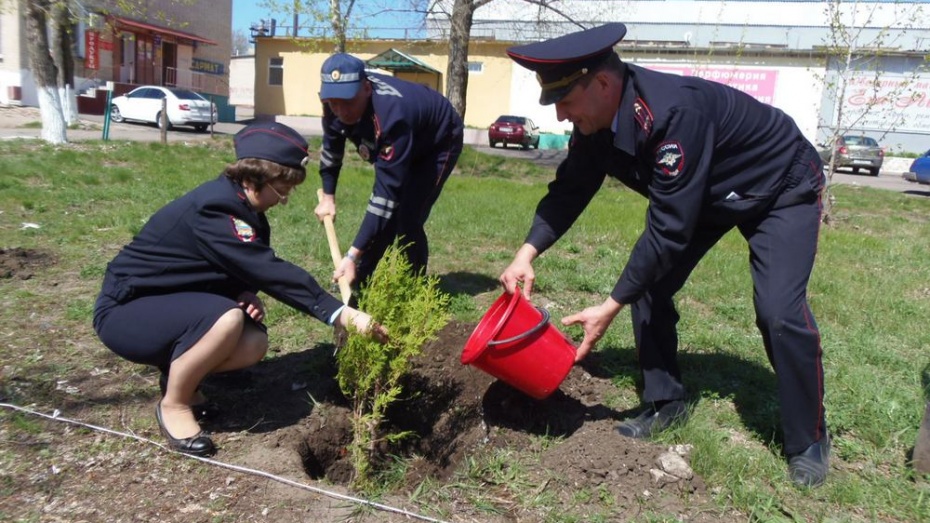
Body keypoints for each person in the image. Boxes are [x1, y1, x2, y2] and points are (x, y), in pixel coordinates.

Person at [498, 23, 829, 487]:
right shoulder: (596, 123)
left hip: (778, 185)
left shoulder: (673, 114)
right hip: (706, 193)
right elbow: (571, 189)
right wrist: (525, 253)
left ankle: (808, 440)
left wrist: (609, 307)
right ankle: (666, 403)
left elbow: (668, 230)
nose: (560, 115)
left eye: (565, 101)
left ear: (602, 84)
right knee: (650, 285)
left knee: (778, 312)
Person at [93, 121, 385, 457]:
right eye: (282, 189)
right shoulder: (216, 208)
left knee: (252, 342)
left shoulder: (243, 208)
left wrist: (240, 293)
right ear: (253, 178)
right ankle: (174, 404)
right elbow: (269, 270)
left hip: (163, 303)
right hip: (127, 311)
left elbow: (213, 265)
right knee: (227, 320)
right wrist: (339, 313)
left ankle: (181, 377)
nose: (284, 199)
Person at [315, 52, 464, 292]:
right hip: (406, 135)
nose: (341, 111)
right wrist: (328, 197)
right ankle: (362, 280)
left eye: (348, 102)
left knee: (407, 216)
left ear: (366, 88)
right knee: (388, 216)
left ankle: (412, 285)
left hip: (437, 139)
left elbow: (385, 197)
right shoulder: (333, 103)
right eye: (334, 103)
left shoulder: (391, 115)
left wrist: (351, 255)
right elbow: (332, 151)